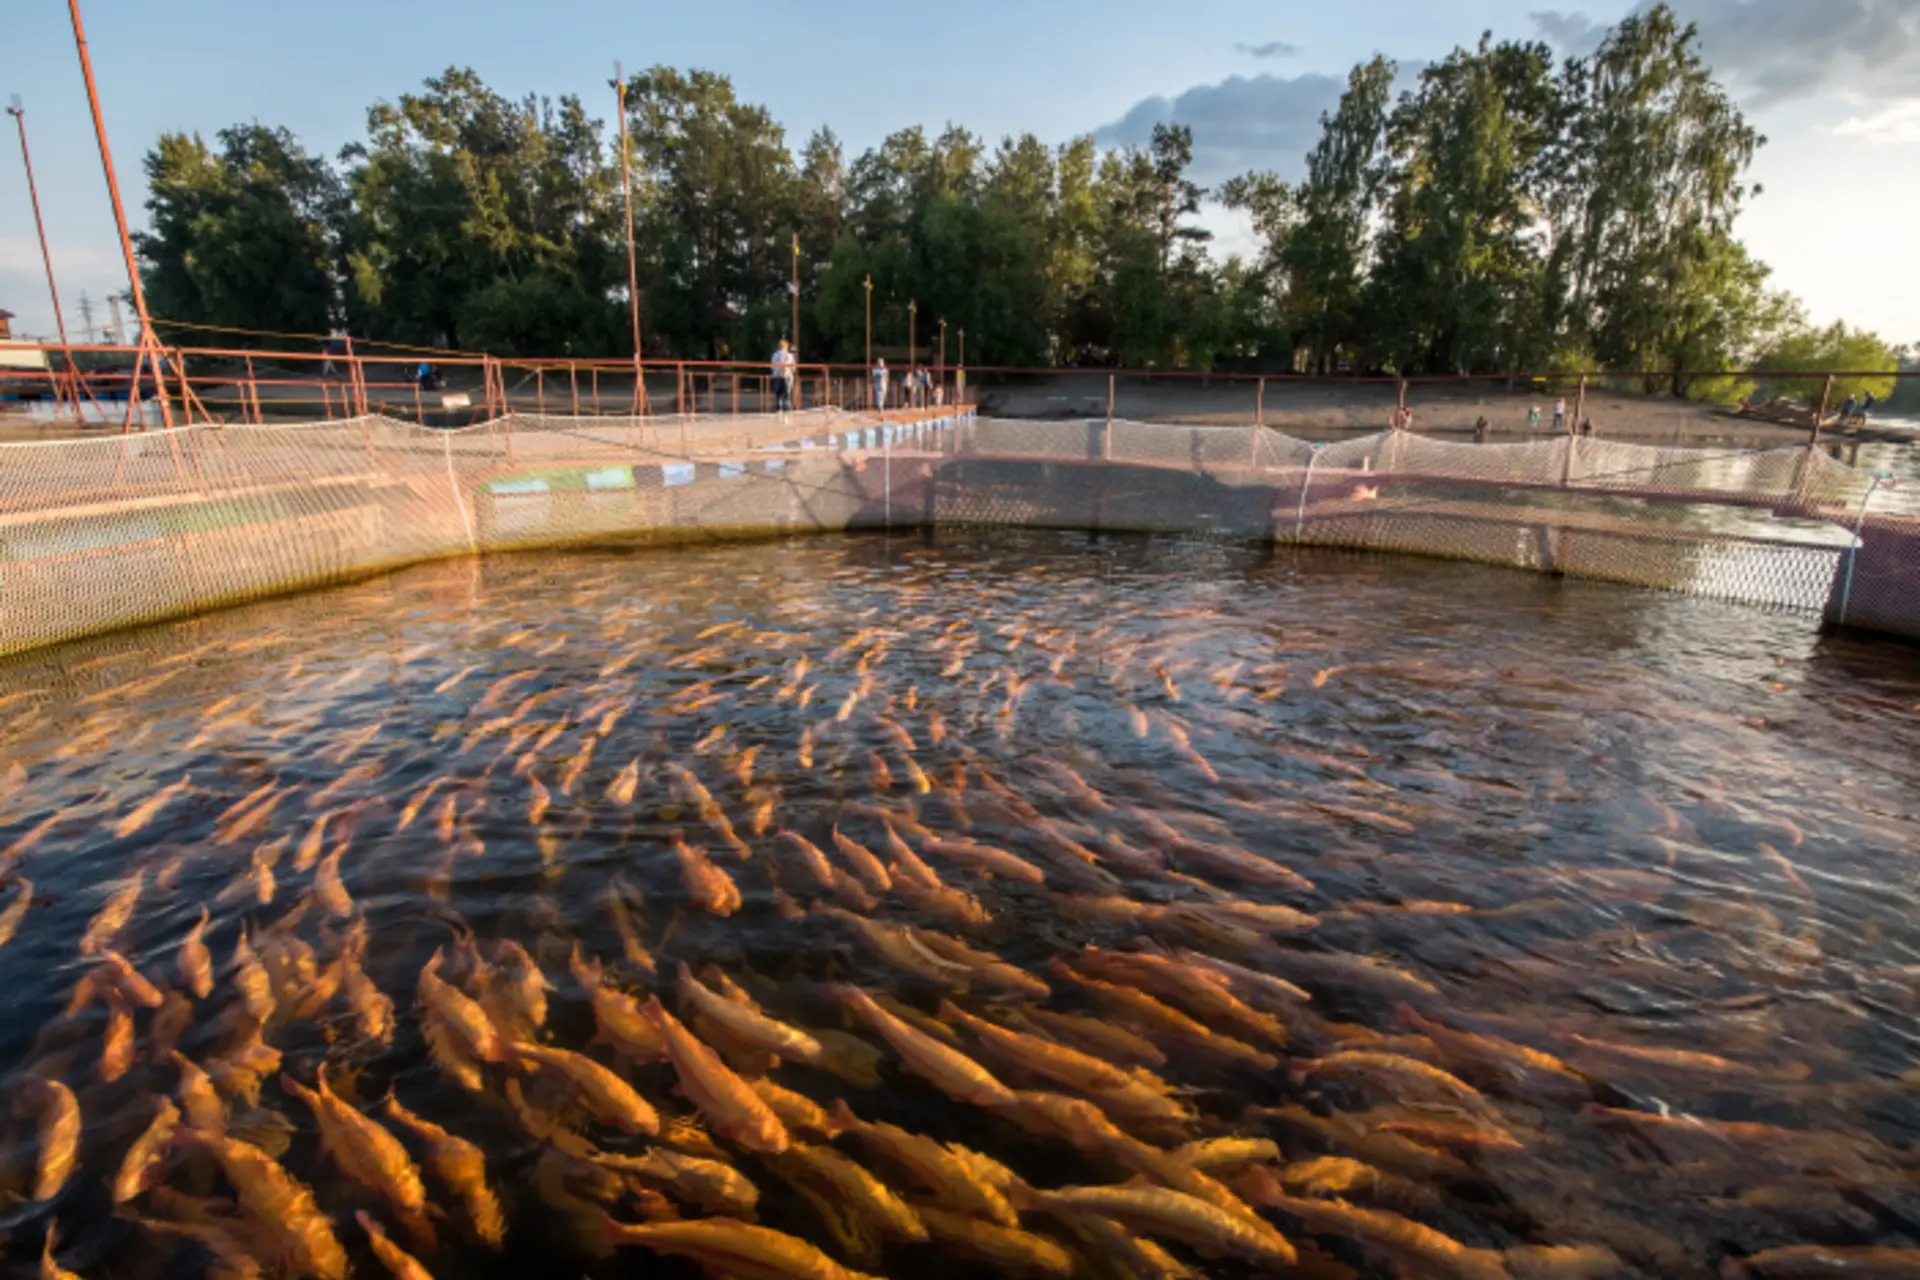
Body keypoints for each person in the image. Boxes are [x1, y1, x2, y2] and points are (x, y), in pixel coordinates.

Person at [771, 339, 796, 419]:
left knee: (778, 395)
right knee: (787, 395)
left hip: (777, 376)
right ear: (786, 346)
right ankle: (787, 415)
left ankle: (778, 413)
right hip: (787, 377)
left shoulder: (774, 355)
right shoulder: (790, 356)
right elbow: (793, 368)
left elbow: (772, 367)